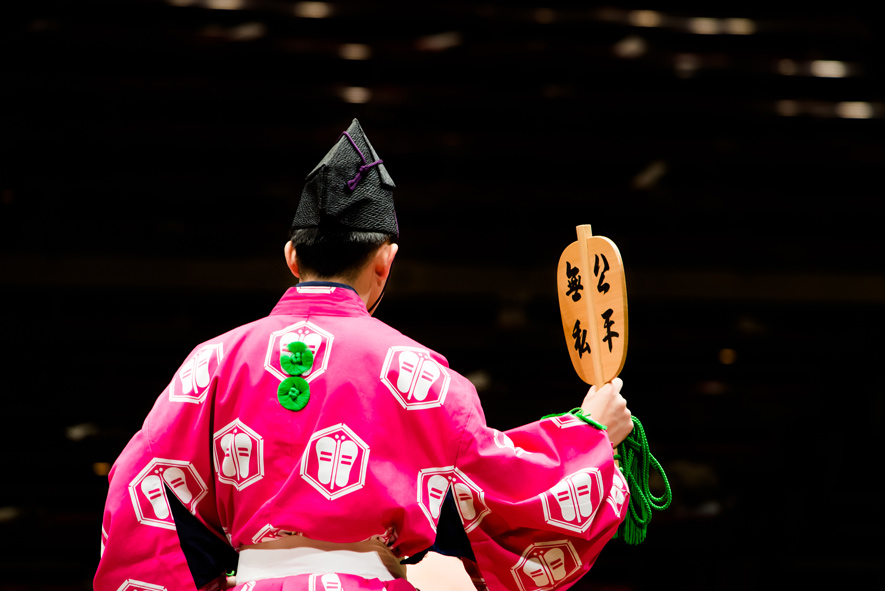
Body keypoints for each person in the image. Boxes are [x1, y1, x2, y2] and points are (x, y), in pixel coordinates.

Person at [94, 119, 633, 591]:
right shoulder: (421, 374)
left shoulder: (210, 363)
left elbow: (141, 486)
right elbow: (502, 488)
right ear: (386, 261)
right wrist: (589, 432)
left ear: (291, 257)